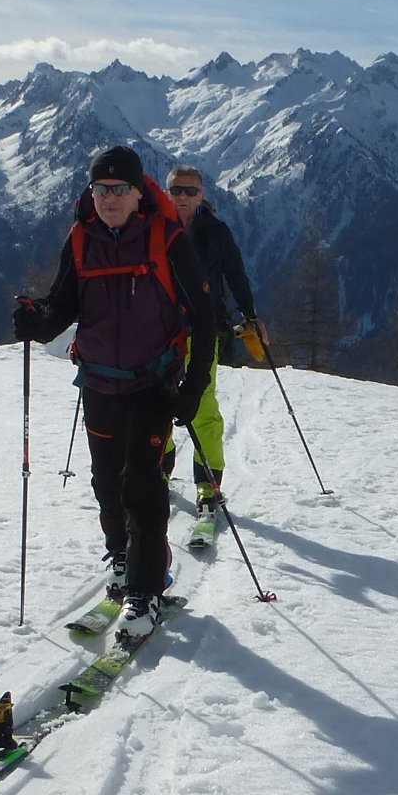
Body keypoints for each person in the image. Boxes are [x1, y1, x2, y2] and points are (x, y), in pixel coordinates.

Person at [12, 146, 217, 641]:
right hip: (99, 380)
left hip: (152, 382)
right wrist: (35, 321)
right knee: (106, 481)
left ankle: (145, 590)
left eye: (118, 189)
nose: (109, 199)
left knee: (142, 485)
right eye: (100, 190)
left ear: (136, 191)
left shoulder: (166, 240)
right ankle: (122, 559)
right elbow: (62, 306)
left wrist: (195, 384)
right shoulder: (81, 241)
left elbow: (205, 316)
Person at [159, 165, 264, 525]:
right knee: (156, 406)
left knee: (202, 407)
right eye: (177, 190)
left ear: (202, 195)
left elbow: (235, 274)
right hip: (158, 331)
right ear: (167, 191)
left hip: (202, 332)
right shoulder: (153, 228)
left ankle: (208, 486)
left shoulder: (215, 232)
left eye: (190, 191)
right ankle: (161, 471)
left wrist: (250, 314)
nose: (183, 198)